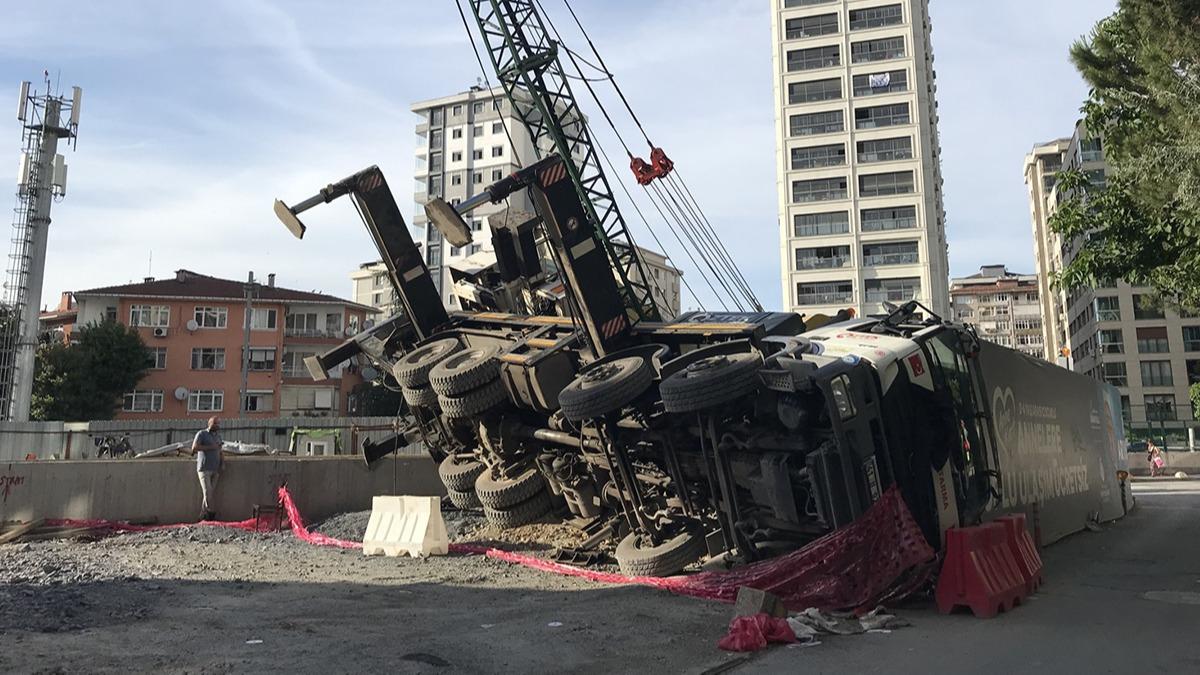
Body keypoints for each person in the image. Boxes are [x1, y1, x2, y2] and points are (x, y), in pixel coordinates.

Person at [191, 417, 223, 520]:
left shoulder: (218, 436)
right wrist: (210, 447)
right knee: (207, 492)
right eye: (215, 423)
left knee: (210, 493)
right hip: (204, 468)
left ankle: (202, 516)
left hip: (215, 468)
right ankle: (211, 514)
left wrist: (222, 462)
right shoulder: (202, 434)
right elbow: (194, 448)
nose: (217, 426)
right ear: (209, 423)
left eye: (218, 424)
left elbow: (220, 450)